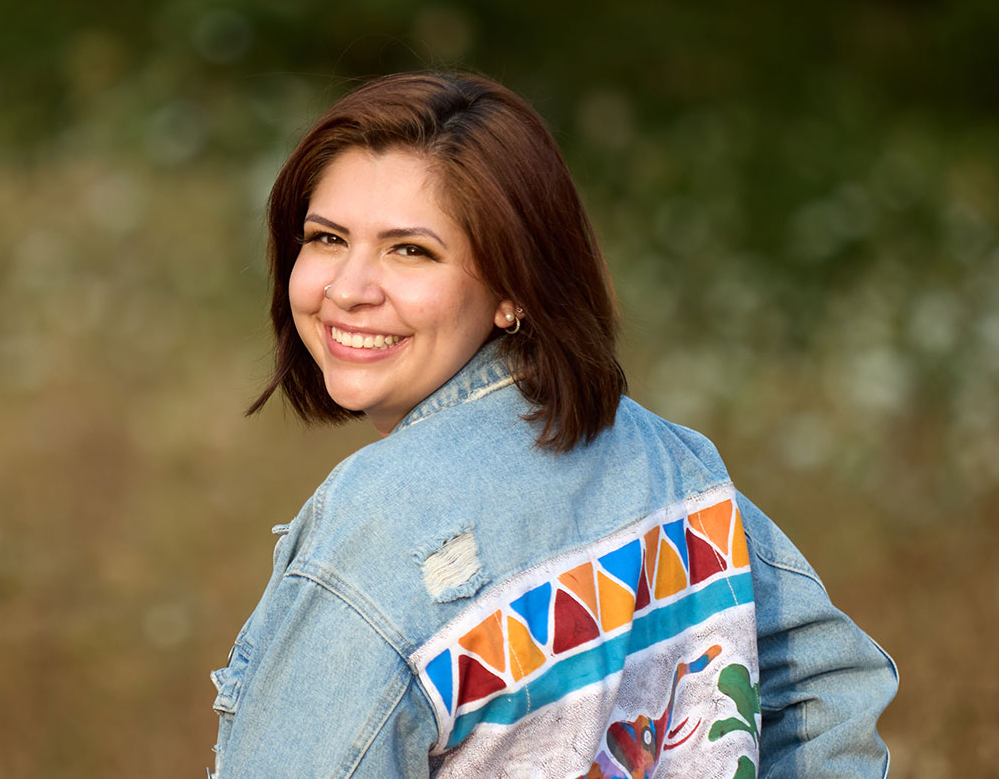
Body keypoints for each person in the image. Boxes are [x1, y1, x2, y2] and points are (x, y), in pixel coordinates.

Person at [211, 71, 896, 779]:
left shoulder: (377, 530)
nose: (347, 289)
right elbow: (831, 689)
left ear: (513, 286)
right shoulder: (666, 461)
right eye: (326, 239)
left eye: (409, 250)